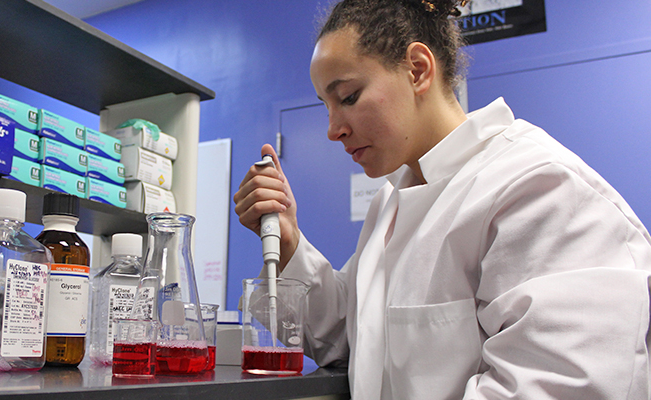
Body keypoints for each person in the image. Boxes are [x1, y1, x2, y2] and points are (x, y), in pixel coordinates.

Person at [232, 0, 651, 398]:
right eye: (326, 105)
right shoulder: (391, 203)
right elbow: (351, 335)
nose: (333, 129)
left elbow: (560, 386)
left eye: (349, 97)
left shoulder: (536, 187)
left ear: (417, 70)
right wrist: (288, 239)